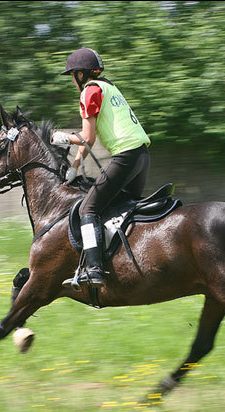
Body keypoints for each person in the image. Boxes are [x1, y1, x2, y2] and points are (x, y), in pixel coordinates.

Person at [51, 47, 151, 288]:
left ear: (80, 74)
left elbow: (87, 136)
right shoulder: (108, 87)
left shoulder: (89, 92)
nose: (73, 81)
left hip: (126, 156)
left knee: (88, 208)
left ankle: (94, 270)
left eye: (73, 75)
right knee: (121, 208)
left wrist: (63, 137)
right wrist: (75, 166)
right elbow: (89, 140)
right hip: (142, 157)